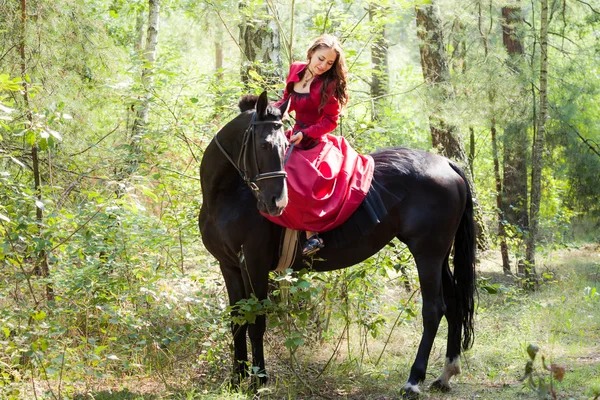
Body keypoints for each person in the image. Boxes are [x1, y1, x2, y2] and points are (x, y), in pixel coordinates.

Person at [262, 34, 374, 256]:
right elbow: (288, 100)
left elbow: (330, 121)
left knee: (304, 179)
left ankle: (311, 235)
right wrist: (271, 113)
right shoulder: (296, 70)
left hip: (314, 138)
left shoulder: (329, 85)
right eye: (321, 58)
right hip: (294, 134)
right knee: (268, 165)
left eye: (329, 63)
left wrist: (306, 133)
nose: (323, 65)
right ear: (312, 52)